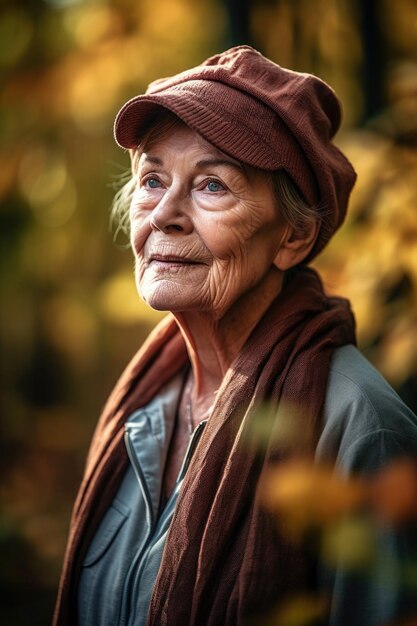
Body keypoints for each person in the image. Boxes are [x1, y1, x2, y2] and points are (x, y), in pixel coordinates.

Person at [53, 46, 417, 626]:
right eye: (152, 179)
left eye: (212, 186)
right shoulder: (143, 404)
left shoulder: (360, 429)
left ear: (293, 238)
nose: (164, 214)